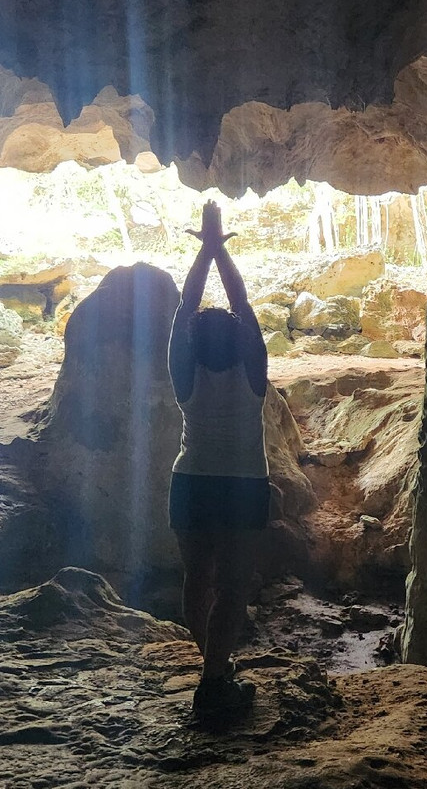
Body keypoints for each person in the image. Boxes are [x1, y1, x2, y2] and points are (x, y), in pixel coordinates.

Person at [168, 200, 269, 719]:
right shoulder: (253, 375)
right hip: (244, 486)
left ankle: (213, 669)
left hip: (192, 485)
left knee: (197, 580)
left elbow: (185, 311)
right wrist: (221, 253)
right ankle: (214, 680)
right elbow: (244, 306)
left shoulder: (186, 376)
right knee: (232, 588)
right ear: (238, 338)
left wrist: (203, 254)